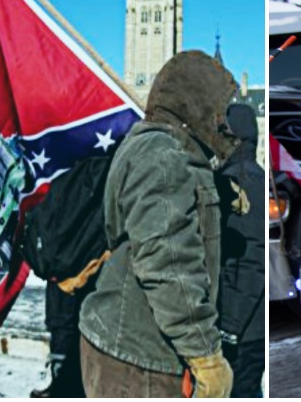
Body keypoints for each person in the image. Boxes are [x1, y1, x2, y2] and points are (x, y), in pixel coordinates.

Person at [78, 51, 237, 398]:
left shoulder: (154, 144)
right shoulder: (162, 155)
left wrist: (218, 192)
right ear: (196, 105)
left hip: (130, 349)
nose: (224, 123)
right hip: (142, 359)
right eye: (219, 110)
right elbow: (168, 261)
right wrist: (204, 354)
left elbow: (160, 210)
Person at [216, 103, 266, 398]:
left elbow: (251, 259)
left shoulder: (242, 181)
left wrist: (230, 326)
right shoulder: (237, 175)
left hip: (243, 330)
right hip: (240, 325)